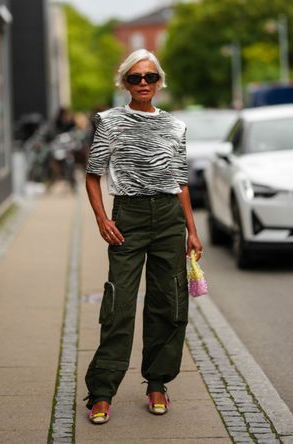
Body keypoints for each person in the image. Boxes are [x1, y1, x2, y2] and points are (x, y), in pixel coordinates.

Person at [83, 49, 202, 424]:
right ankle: (102, 391)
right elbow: (92, 174)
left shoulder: (175, 127)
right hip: (128, 218)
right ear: (124, 83)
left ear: (160, 81)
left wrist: (192, 231)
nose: (143, 84)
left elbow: (180, 181)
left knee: (169, 304)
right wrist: (102, 218)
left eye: (150, 77)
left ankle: (157, 383)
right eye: (135, 78)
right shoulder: (109, 121)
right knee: (118, 306)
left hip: (169, 218)